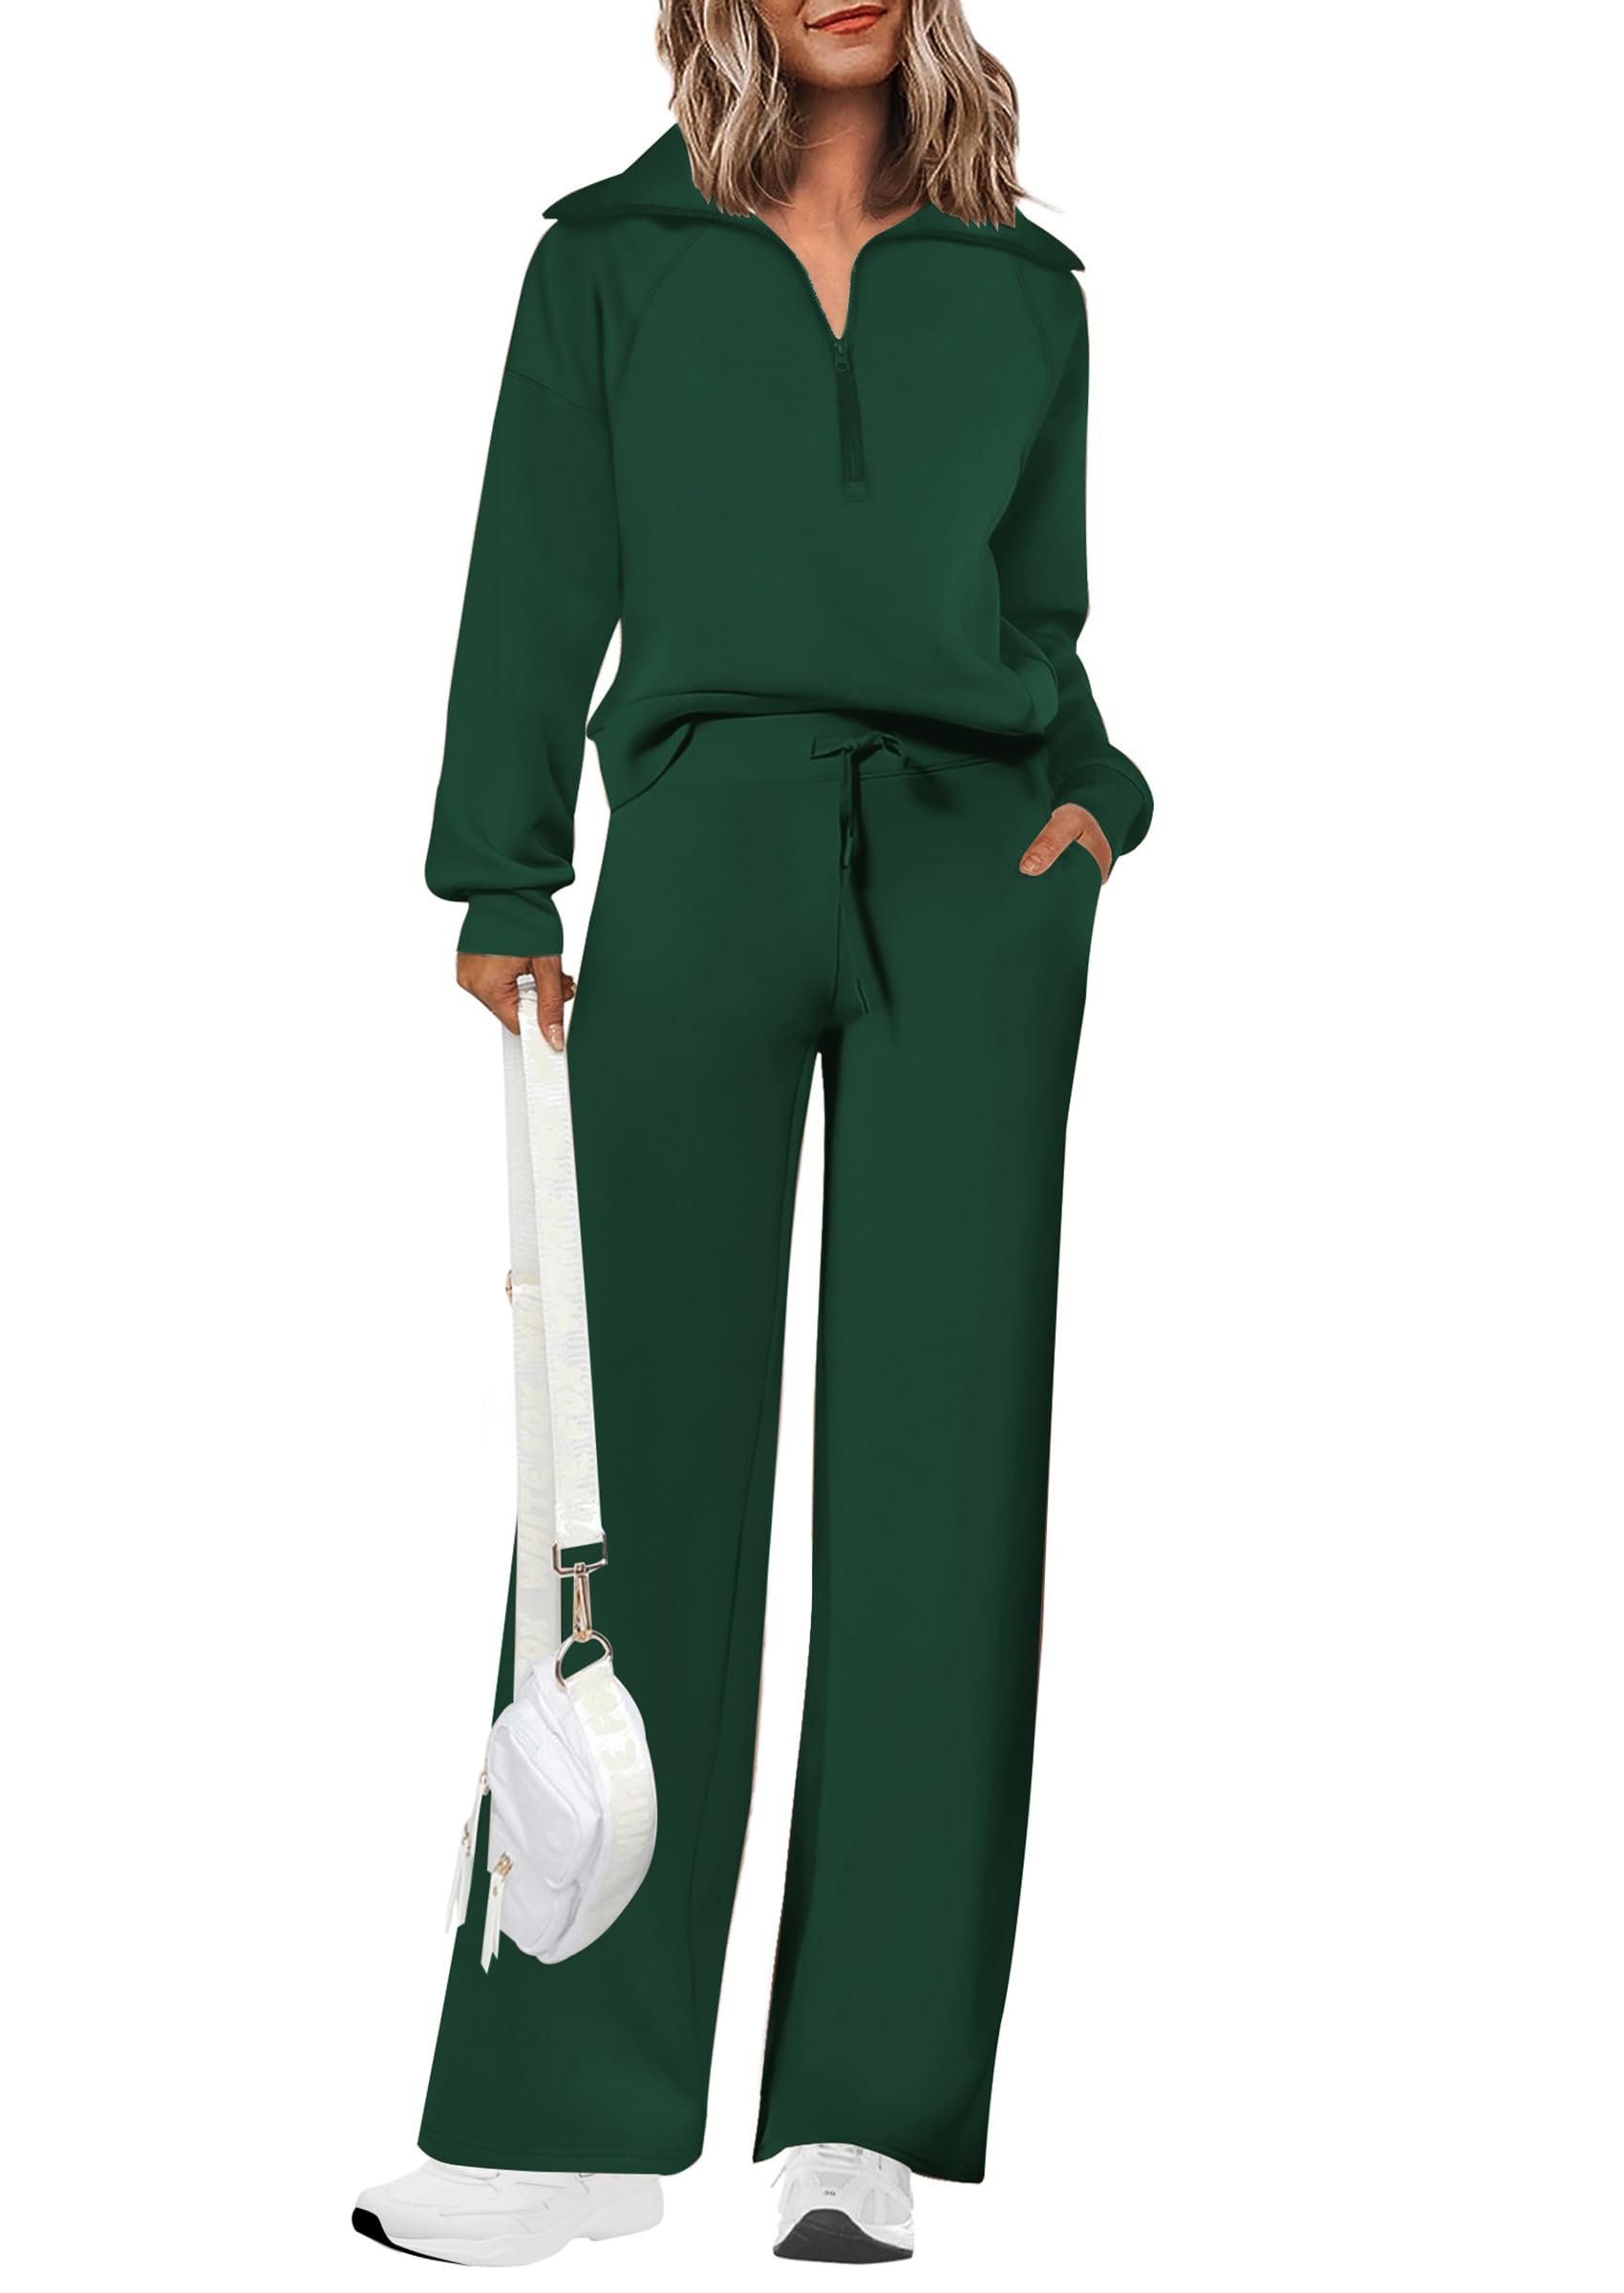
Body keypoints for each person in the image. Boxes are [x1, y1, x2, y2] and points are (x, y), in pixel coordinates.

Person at [356, 0, 1152, 2264]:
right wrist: (503, 872)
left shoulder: (1022, 284)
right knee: (623, 1478)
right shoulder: (609, 259)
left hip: (973, 881)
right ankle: (561, 2115)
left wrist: (1092, 800)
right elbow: (537, 563)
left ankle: (861, 2110)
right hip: (701, 851)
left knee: (938, 1483)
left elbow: (1037, 612)